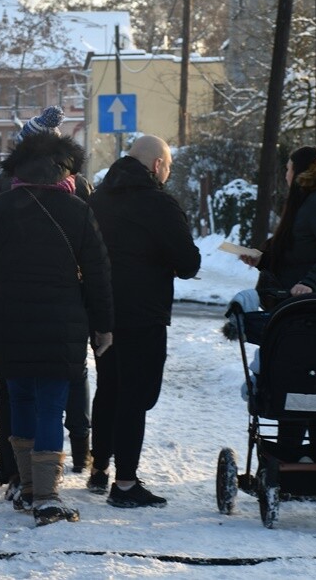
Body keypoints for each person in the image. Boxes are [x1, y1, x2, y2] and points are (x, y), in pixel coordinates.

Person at [0, 124, 113, 525]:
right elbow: (99, 275)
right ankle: (47, 495)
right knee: (52, 404)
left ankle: (27, 486)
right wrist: (103, 325)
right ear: (62, 171)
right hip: (61, 324)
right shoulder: (80, 212)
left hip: (8, 323)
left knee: (20, 400)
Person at [87, 134, 201, 507]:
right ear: (156, 166)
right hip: (143, 314)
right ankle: (125, 484)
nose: (167, 173)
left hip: (102, 312)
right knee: (136, 396)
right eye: (167, 166)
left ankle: (99, 468)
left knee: (109, 388)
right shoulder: (159, 203)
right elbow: (189, 263)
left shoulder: (98, 198)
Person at [240, 145, 316, 462]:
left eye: (289, 168)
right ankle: (294, 455)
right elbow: (302, 252)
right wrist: (265, 259)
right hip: (308, 311)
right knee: (297, 380)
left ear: (302, 171)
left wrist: (311, 283)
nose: (285, 174)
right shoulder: (312, 201)